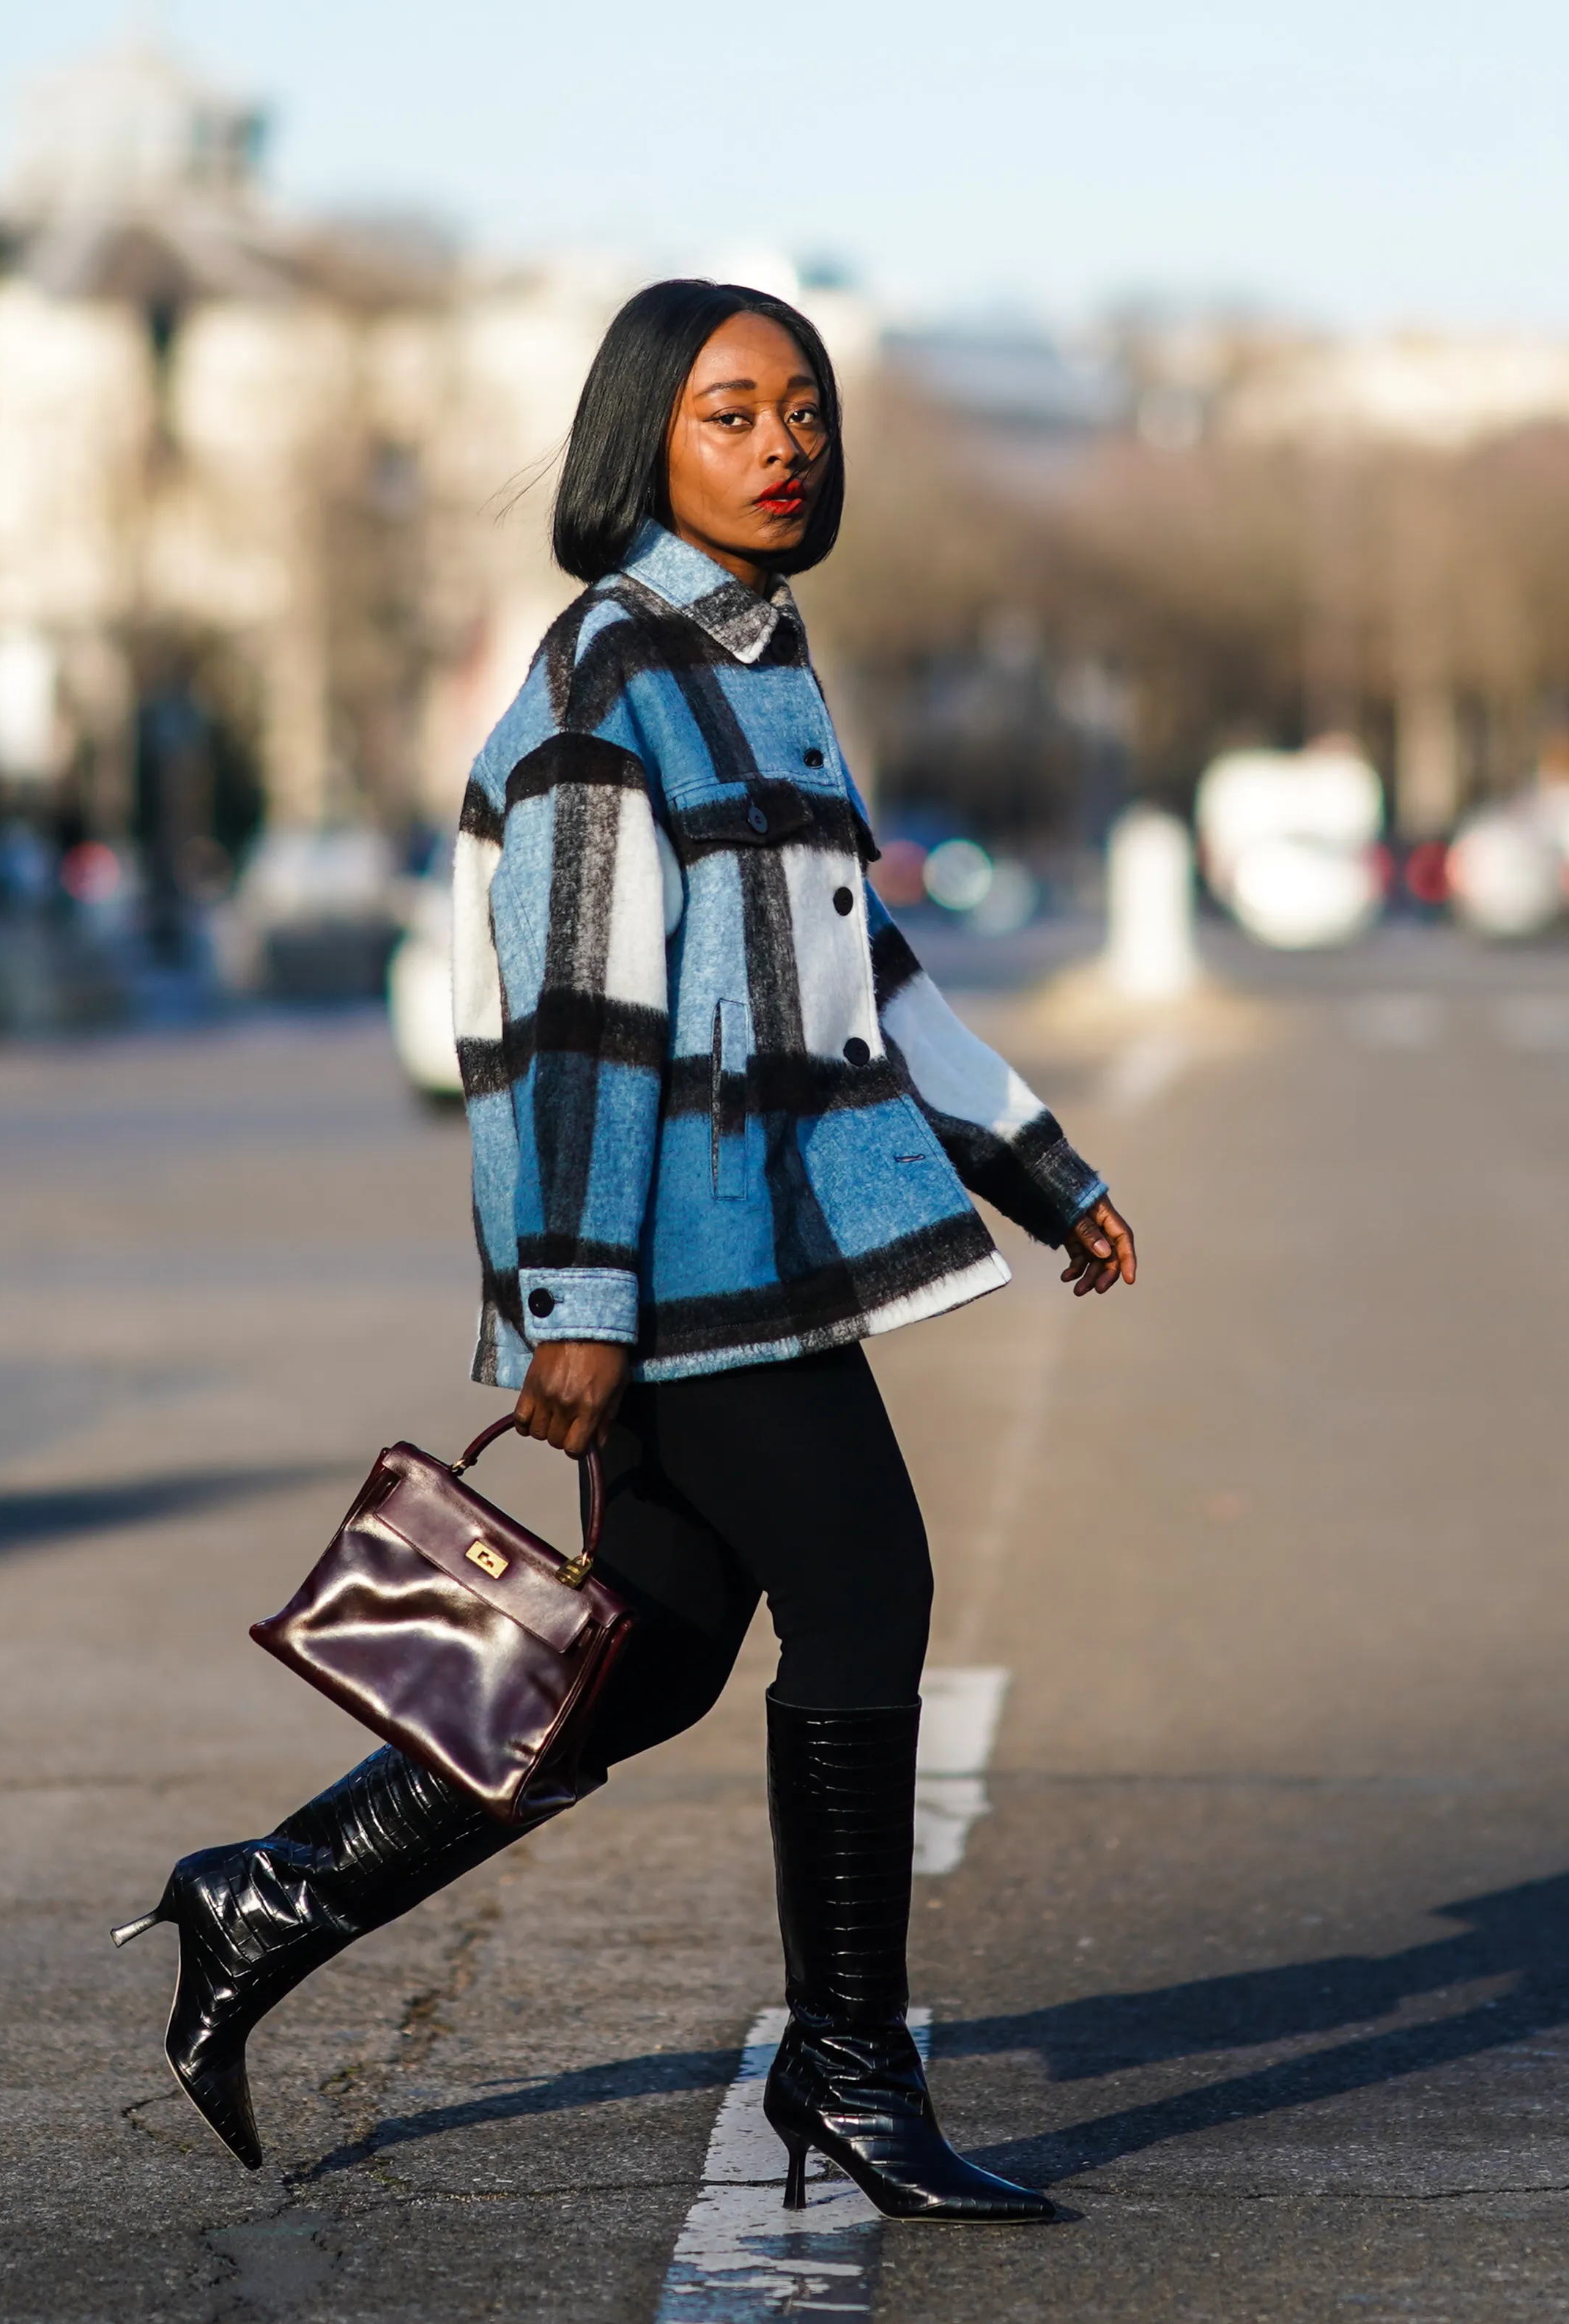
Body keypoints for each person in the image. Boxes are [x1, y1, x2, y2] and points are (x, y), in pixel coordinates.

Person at [116, 281, 1137, 2224]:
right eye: (730, 414)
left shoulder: (758, 666)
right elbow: (578, 1012)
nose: (781, 444)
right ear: (637, 447)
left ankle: (266, 1895)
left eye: (801, 411)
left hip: (750, 1246)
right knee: (868, 1599)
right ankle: (846, 2074)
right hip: (679, 1261)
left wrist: (1032, 1155)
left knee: (647, 1659)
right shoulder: (610, 680)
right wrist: (576, 1308)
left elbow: (853, 961)